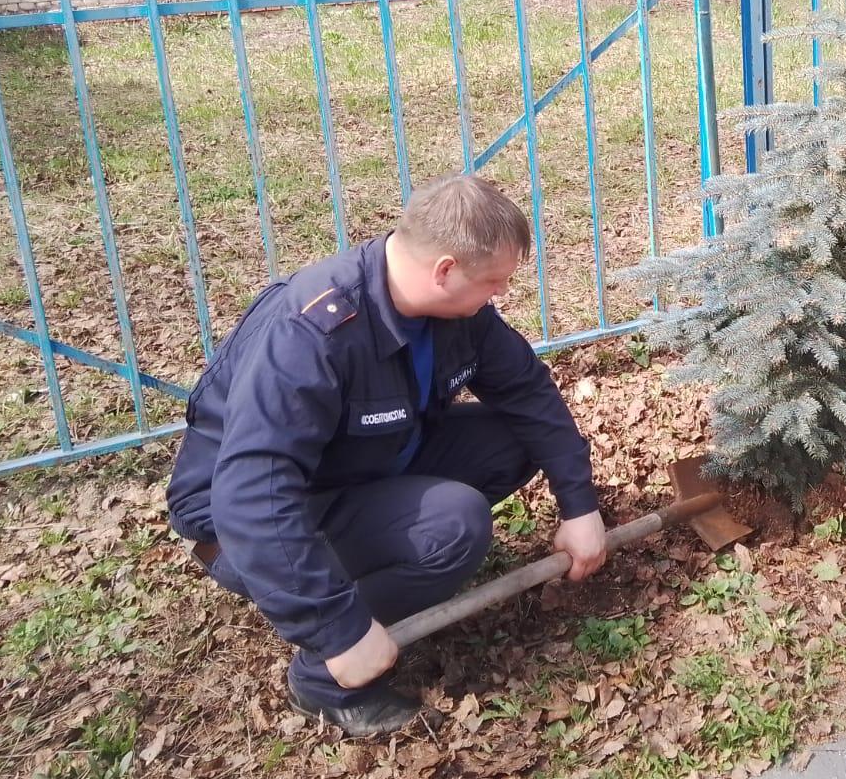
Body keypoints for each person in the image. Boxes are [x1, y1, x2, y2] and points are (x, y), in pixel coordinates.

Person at [166, 174, 607, 736]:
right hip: (245, 526)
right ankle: (322, 677)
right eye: (493, 284)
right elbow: (253, 495)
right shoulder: (314, 334)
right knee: (454, 525)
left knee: (517, 439)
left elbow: (527, 392)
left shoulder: (455, 312)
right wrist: (336, 630)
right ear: (445, 271)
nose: (499, 296)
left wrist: (578, 504)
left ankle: (384, 569)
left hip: (362, 464)